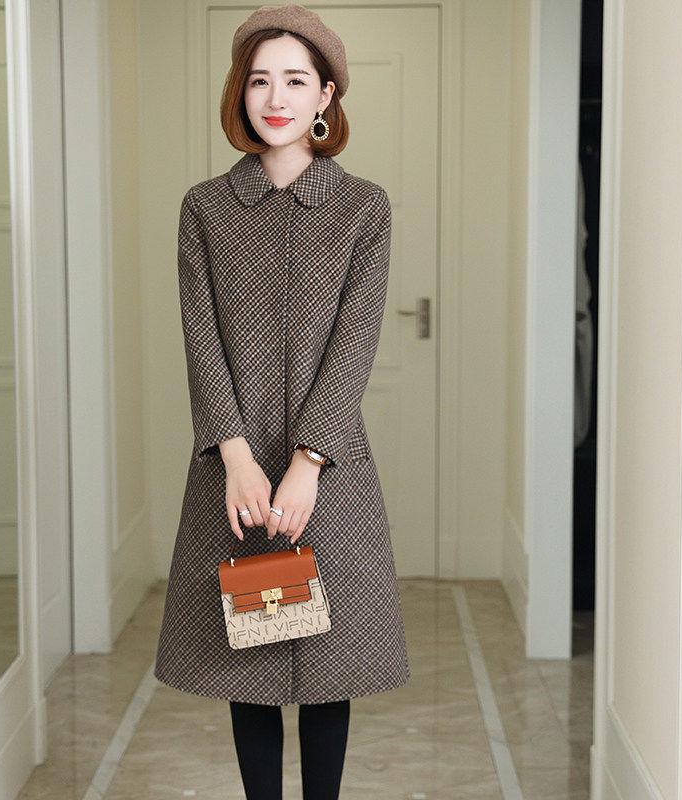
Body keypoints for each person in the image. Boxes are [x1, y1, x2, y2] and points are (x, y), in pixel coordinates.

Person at [154, 5, 410, 798]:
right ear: (241, 92)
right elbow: (201, 338)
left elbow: (355, 344)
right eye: (260, 80)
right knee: (252, 659)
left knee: (328, 666)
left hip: (328, 470)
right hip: (234, 467)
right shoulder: (205, 208)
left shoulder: (364, 208)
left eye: (296, 80)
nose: (276, 97)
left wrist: (308, 463)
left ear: (325, 95)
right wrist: (234, 455)